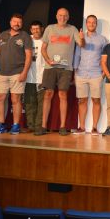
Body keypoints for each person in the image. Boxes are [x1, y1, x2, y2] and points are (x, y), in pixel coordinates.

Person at [38, 8, 85, 136]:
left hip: (66, 68)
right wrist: (48, 60)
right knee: (47, 94)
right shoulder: (49, 28)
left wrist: (82, 38)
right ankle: (43, 126)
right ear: (56, 16)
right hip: (50, 67)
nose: (62, 18)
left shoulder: (73, 29)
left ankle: (63, 126)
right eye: (60, 15)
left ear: (68, 17)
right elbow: (43, 49)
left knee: (63, 95)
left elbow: (81, 45)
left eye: (65, 15)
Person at [0, 14, 33, 134]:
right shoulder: (3, 35)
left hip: (17, 73)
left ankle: (15, 125)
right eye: (14, 21)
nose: (16, 24)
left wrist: (24, 72)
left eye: (19, 22)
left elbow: (29, 56)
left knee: (15, 100)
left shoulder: (25, 36)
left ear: (22, 24)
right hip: (2, 73)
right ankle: (0, 124)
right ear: (10, 22)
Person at [73, 15, 107, 135]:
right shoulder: (80, 37)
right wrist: (75, 71)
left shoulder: (102, 39)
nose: (91, 24)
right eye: (89, 22)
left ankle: (94, 127)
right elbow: (77, 54)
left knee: (96, 100)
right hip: (81, 74)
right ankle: (82, 127)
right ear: (86, 24)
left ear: (96, 24)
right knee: (82, 100)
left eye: (94, 22)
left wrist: (103, 74)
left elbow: (105, 58)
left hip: (96, 74)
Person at [23, 21, 45, 133]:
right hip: (28, 77)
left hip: (42, 76)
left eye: (37, 28)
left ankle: (39, 126)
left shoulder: (46, 40)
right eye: (33, 29)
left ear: (42, 29)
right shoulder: (26, 40)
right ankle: (31, 126)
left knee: (41, 104)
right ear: (30, 30)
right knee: (29, 103)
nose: (35, 31)